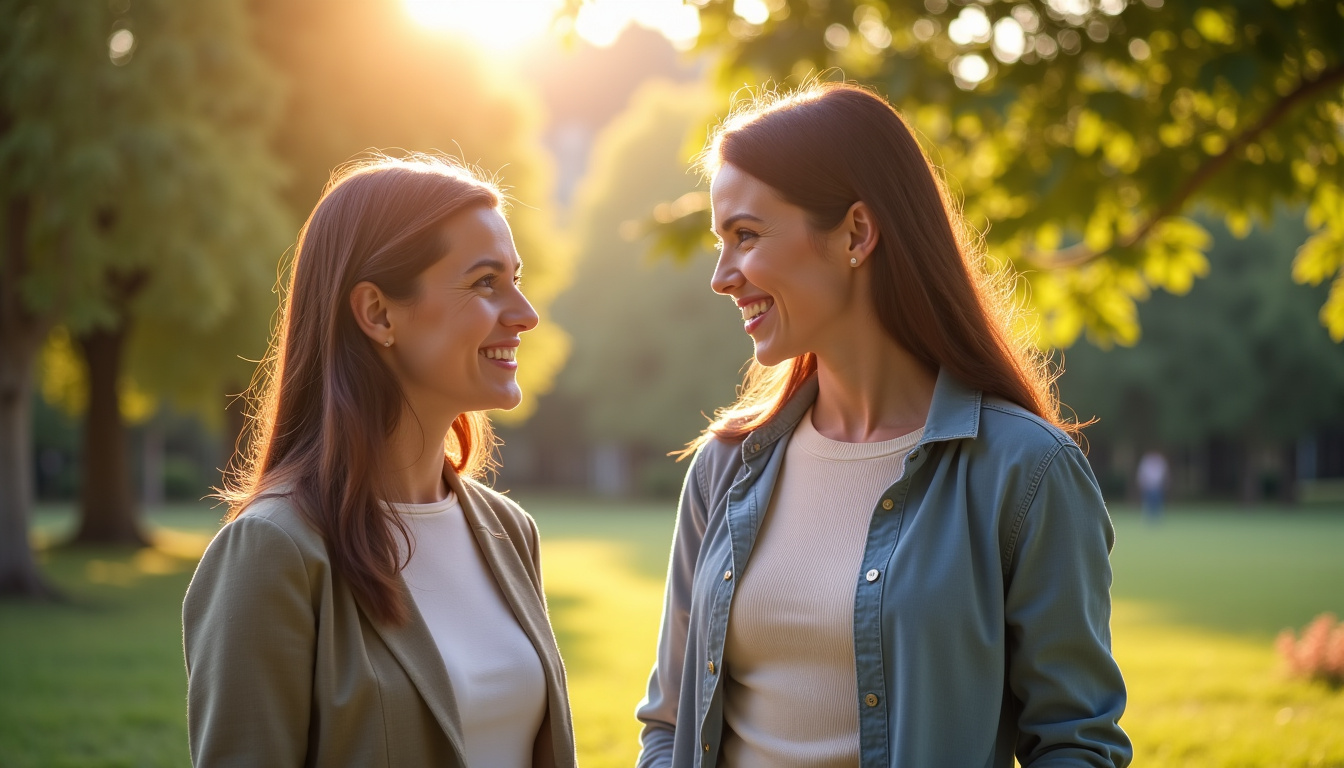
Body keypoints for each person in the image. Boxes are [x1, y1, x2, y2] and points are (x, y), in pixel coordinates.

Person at [635, 83, 1131, 768]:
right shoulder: (724, 467)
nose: (722, 276)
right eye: (721, 242)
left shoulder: (1025, 472)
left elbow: (1077, 744)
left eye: (745, 235)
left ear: (857, 234)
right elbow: (668, 727)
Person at [183, 156, 576, 768]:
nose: (525, 314)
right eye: (484, 282)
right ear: (378, 314)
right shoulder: (273, 551)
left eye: (516, 280)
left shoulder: (509, 532)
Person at [1137, 450, 1169, 522]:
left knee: (1158, 503)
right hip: (1148, 486)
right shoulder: (1146, 461)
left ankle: (1158, 518)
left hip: (1158, 486)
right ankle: (1148, 518)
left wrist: (1165, 483)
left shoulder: (1160, 460)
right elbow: (1142, 473)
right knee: (1148, 503)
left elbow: (1164, 473)